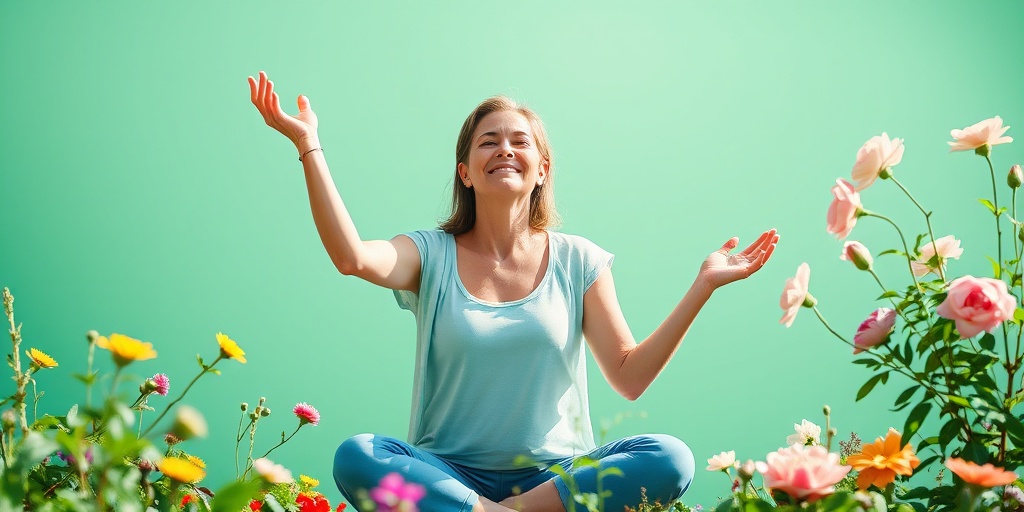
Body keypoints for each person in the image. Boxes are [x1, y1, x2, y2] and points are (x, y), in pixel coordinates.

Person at [247, 70, 779, 512]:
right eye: (488, 141)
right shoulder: (430, 253)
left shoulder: (579, 260)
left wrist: (703, 286)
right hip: (448, 480)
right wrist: (307, 143)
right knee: (359, 455)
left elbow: (630, 376)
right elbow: (352, 257)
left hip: (557, 483)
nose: (505, 149)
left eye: (520, 141)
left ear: (542, 170)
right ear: (466, 172)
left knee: (671, 458)